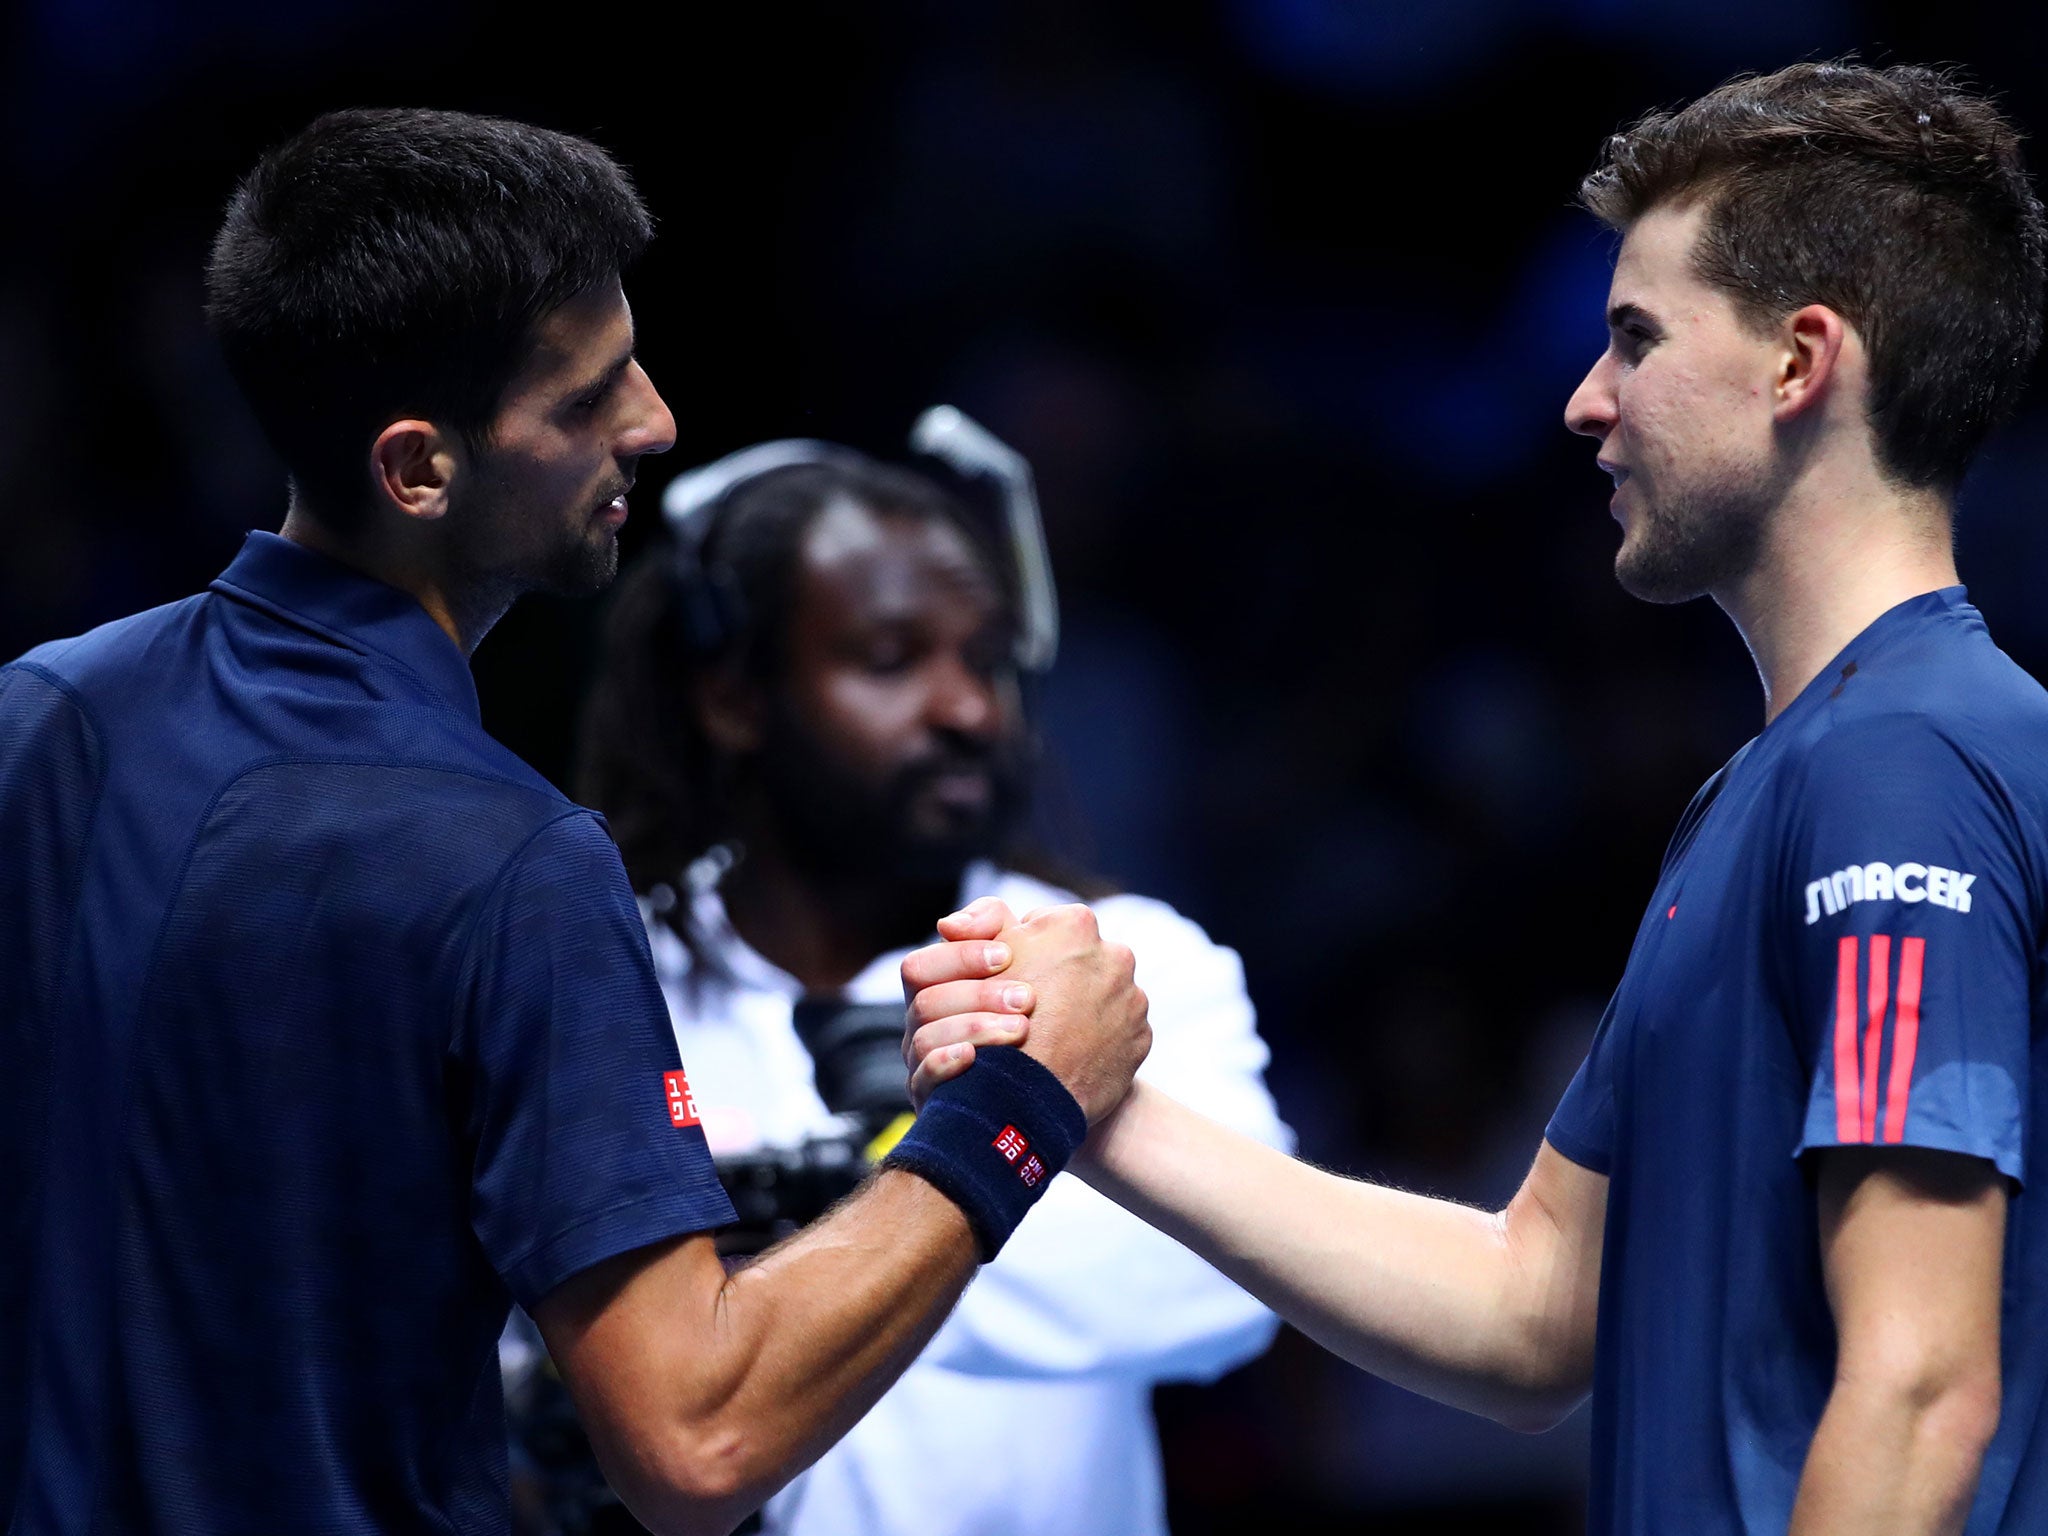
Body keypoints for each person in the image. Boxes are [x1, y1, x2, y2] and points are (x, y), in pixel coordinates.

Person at [904, 59, 2048, 1535]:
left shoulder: (1907, 763)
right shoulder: (1778, 786)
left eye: (1635, 340)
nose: (1584, 402)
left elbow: (1918, 1387)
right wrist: (1086, 1103)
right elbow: (1533, 1311)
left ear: (1798, 363)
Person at [0, 108, 1149, 1536]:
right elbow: (695, 1442)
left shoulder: (37, 714)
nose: (654, 424)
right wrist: (1021, 1112)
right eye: (585, 398)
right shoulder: (516, 860)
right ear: (417, 469)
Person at [567, 436, 1291, 1536]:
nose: (968, 709)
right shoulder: (601, 979)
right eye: (890, 657)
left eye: (988, 656)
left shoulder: (1123, 963)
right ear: (732, 697)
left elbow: (1232, 1289)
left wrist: (734, 1296)